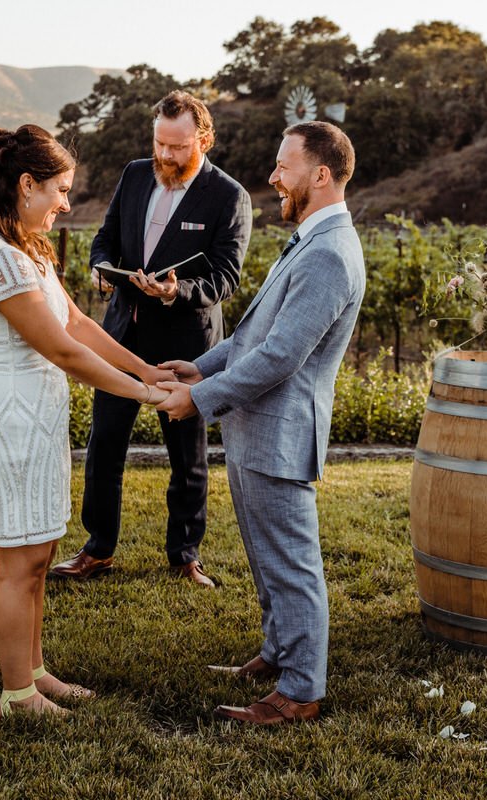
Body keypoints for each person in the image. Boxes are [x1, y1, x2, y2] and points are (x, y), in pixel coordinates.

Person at [156, 122, 365, 725]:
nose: (273, 177)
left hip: (281, 431)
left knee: (293, 565)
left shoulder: (327, 252)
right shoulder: (310, 239)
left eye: (284, 166)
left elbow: (280, 358)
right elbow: (253, 336)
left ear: (320, 175)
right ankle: (278, 652)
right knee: (267, 557)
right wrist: (198, 368)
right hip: (256, 428)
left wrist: (198, 401)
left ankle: (301, 689)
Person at [0, 124, 173, 716]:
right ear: (26, 185)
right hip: (13, 422)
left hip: (40, 419)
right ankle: (17, 695)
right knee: (18, 563)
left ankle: (35, 671)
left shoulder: (27, 250)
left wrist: (147, 371)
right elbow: (63, 351)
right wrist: (142, 395)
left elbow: (80, 325)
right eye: (60, 189)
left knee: (41, 556)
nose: (66, 203)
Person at [49, 90, 252, 588]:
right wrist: (100, 267)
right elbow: (106, 236)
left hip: (186, 346)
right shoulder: (135, 173)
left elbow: (225, 278)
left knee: (188, 459)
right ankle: (97, 550)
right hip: (122, 337)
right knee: (104, 447)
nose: (165, 155)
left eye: (177, 147)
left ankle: (185, 555)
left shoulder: (230, 196)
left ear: (203, 140)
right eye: (160, 143)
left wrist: (173, 292)